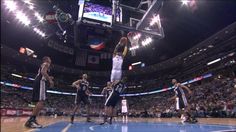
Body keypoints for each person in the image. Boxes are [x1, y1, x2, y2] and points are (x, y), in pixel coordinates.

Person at [25, 56, 54, 128]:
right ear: (47, 59)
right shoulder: (46, 64)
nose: (51, 60)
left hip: (37, 81)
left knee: (38, 102)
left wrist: (49, 77)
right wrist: (50, 81)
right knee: (41, 101)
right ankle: (31, 121)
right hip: (41, 82)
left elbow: (42, 73)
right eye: (50, 59)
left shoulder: (43, 65)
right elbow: (43, 72)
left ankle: (32, 120)